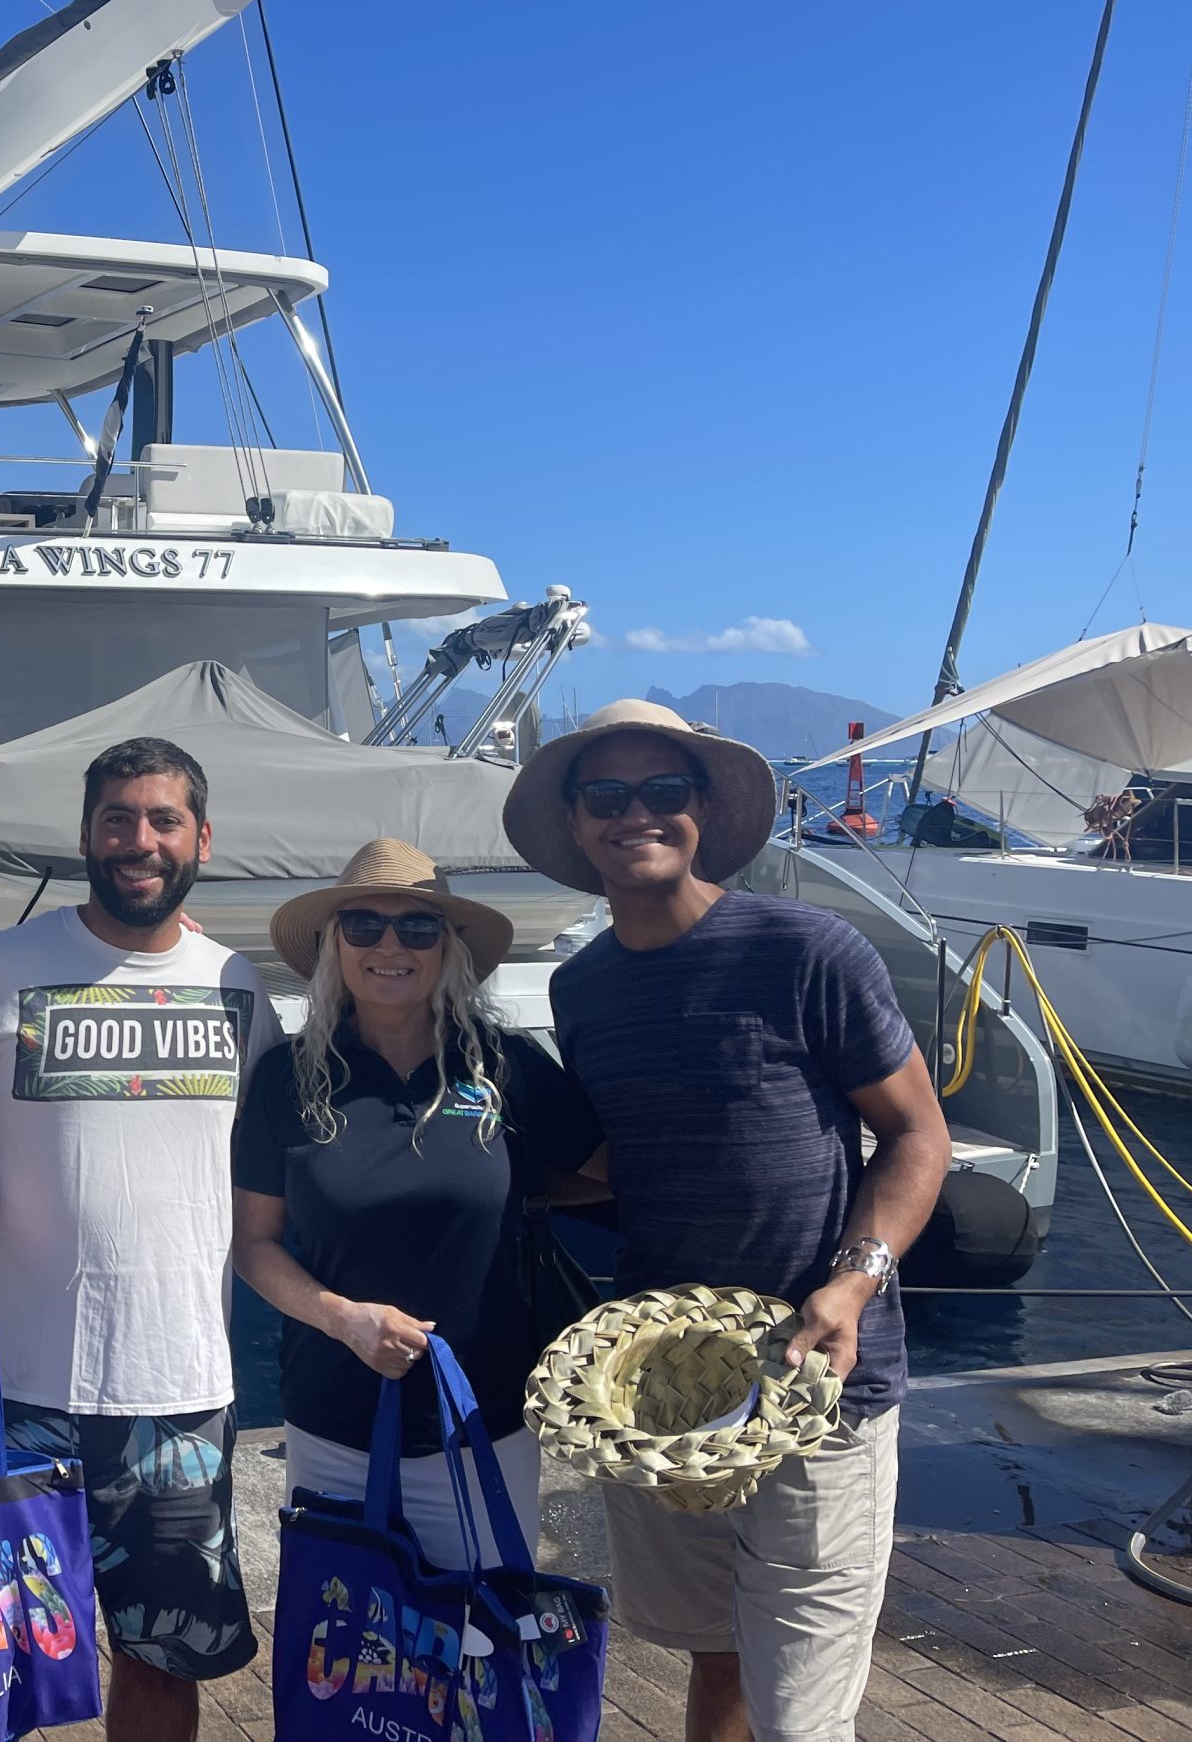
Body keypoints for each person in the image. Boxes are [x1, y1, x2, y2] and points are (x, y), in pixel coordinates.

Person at [501, 699, 952, 1742]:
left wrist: (852, 1282)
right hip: (662, 1389)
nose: (636, 814)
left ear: (703, 808)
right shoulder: (582, 988)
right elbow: (625, 1164)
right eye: (606, 795)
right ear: (576, 824)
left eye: (663, 790)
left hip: (822, 1383)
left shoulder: (808, 949)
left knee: (803, 1719)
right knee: (713, 1651)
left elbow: (917, 1136)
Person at [0, 737, 278, 1742]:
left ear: (201, 839)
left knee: (161, 1661)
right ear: (86, 835)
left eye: (163, 820)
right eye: (117, 819)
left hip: (179, 1391)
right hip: (11, 1383)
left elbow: (274, 1162)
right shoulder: (4, 966)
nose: (138, 841)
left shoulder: (237, 985)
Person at [230, 837, 599, 1568]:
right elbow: (254, 1244)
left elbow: (610, 1172)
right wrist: (344, 1320)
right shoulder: (286, 1078)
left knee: (488, 1630)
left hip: (485, 1423)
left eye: (418, 926)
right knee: (345, 1635)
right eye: (363, 925)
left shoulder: (504, 1065)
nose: (389, 945)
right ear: (334, 945)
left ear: (449, 948)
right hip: (334, 1425)